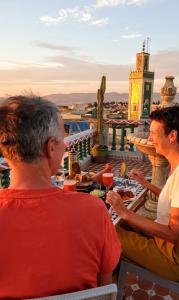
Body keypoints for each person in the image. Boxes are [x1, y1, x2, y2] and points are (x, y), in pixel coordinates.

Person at [0, 95, 121, 299]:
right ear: (51, 147)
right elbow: (104, 287)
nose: (65, 146)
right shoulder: (94, 210)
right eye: (63, 140)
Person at [106, 106, 179, 282]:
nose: (149, 138)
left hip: (177, 258)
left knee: (107, 234)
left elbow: (173, 234)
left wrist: (125, 211)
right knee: (117, 224)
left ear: (172, 136)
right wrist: (146, 184)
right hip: (177, 248)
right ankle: (114, 283)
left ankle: (109, 291)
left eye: (154, 133)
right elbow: (175, 199)